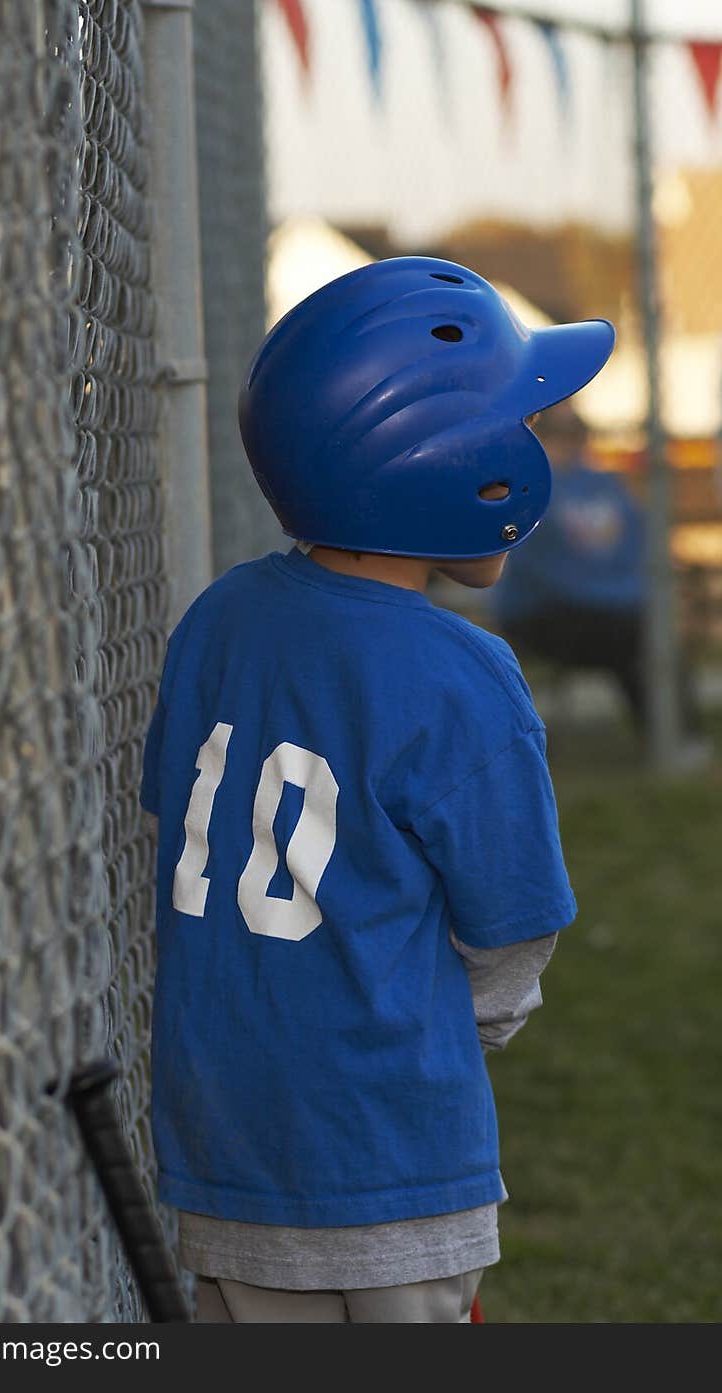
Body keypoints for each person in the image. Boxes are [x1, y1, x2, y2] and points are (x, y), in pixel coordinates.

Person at [138, 258, 615, 1323]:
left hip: (225, 1141)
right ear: (437, 463)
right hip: (393, 1144)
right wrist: (465, 1021)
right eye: (517, 423)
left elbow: (176, 818)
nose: (529, 448)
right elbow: (511, 932)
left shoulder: (218, 616)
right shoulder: (462, 673)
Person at [490, 402, 702, 738]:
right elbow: (541, 573)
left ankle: (678, 735)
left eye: (578, 432)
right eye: (559, 434)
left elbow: (639, 548)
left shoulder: (606, 485)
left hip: (614, 607)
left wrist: (640, 597)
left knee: (650, 628)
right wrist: (623, 598)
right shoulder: (527, 488)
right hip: (546, 613)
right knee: (634, 634)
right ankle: (667, 738)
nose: (571, 442)